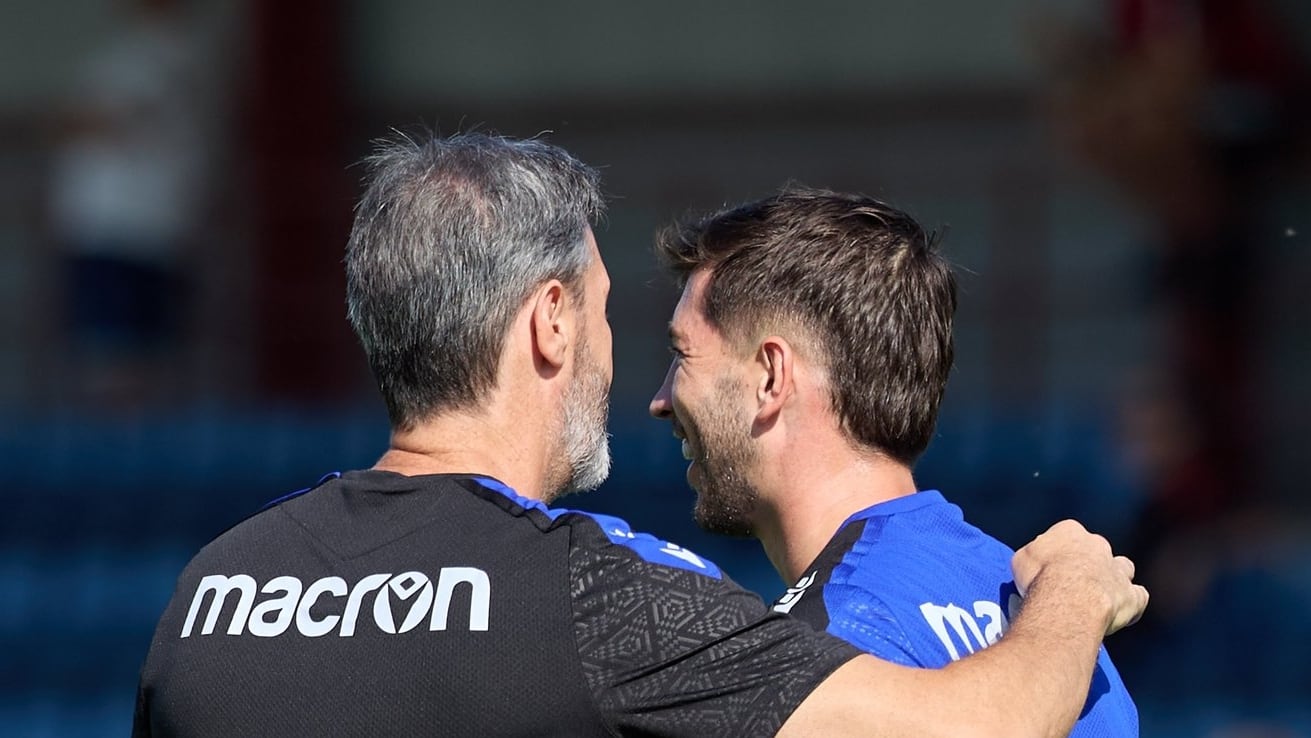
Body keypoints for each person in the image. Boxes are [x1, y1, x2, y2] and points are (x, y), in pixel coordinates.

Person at [133, 133, 1147, 737]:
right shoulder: (601, 599)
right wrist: (1069, 598)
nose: (647, 391)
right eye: (613, 316)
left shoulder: (209, 591)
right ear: (550, 322)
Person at [649, 187, 1139, 735]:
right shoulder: (1061, 625)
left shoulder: (826, 650)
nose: (661, 399)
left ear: (770, 377)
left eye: (682, 355)